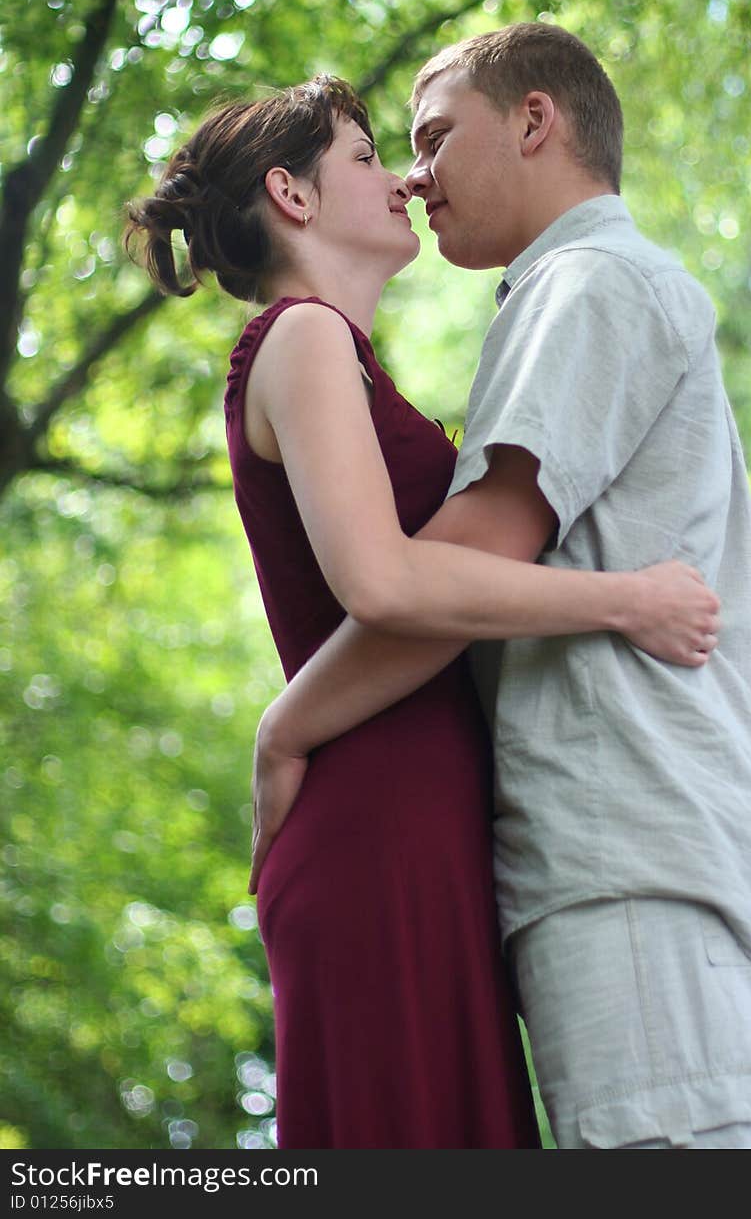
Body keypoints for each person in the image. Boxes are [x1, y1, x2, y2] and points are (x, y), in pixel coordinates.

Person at [124, 74, 720, 1150]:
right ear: (290, 195)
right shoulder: (301, 336)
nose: (400, 176)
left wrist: (286, 723)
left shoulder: (334, 353)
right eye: (364, 156)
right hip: (372, 822)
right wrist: (625, 599)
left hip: (412, 814)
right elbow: (385, 585)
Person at [252, 26, 751, 1149]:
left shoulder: (586, 283)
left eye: (432, 138)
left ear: (535, 122)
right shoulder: (557, 294)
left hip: (640, 862)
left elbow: (459, 561)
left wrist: (286, 725)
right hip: (622, 868)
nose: (414, 174)